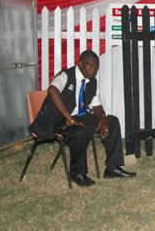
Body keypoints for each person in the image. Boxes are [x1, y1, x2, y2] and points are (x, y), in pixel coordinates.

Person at [30, 50, 136, 187]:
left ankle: (112, 168)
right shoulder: (65, 75)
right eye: (90, 66)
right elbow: (52, 91)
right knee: (79, 132)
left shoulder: (92, 82)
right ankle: (77, 173)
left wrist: (103, 118)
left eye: (96, 67)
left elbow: (96, 106)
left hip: (79, 116)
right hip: (59, 119)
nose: (93, 70)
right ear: (80, 64)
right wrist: (69, 118)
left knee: (112, 121)